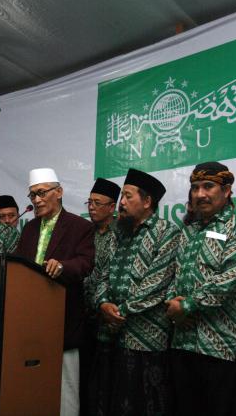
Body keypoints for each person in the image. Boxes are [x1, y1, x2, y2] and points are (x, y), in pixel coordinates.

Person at [165, 161, 236, 416]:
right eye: (195, 188)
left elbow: (226, 282)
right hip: (184, 343)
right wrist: (172, 305)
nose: (200, 194)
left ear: (227, 190)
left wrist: (185, 306)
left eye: (208, 186)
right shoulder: (188, 231)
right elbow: (174, 276)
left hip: (224, 348)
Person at [96, 169, 179, 415]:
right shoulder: (117, 232)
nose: (121, 202)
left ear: (147, 201)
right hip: (110, 337)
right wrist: (102, 304)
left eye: (127, 196)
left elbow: (156, 285)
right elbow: (102, 274)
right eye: (121, 196)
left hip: (146, 340)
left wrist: (118, 313)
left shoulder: (167, 232)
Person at [15, 168, 95, 416]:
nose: (37, 200)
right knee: (31, 381)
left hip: (63, 317)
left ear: (59, 192)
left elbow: (86, 263)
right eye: (32, 195)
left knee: (66, 384)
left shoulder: (80, 226)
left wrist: (62, 266)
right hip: (31, 318)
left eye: (41, 193)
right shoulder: (29, 228)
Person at [81, 177, 119, 414]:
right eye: (89, 202)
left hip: (108, 316)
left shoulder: (122, 232)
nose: (92, 207)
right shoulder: (85, 232)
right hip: (84, 315)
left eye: (97, 203)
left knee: (106, 379)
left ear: (112, 207)